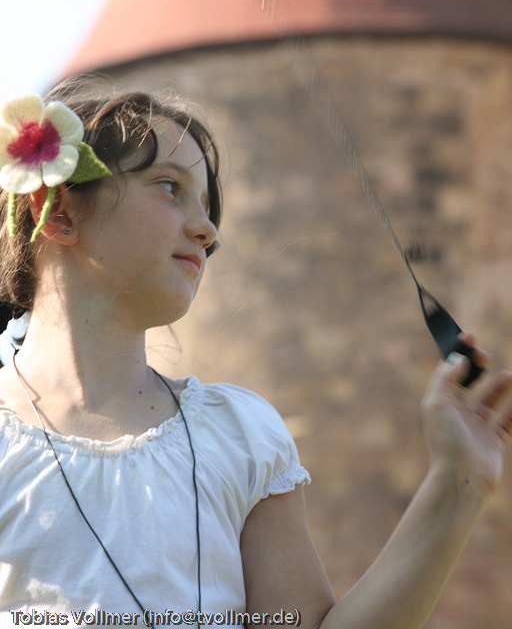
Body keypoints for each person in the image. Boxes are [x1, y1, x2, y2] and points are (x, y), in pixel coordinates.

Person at [0, 79, 510, 629]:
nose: (206, 229)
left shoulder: (238, 436)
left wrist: (458, 483)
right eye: (169, 187)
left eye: (206, 205)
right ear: (59, 213)